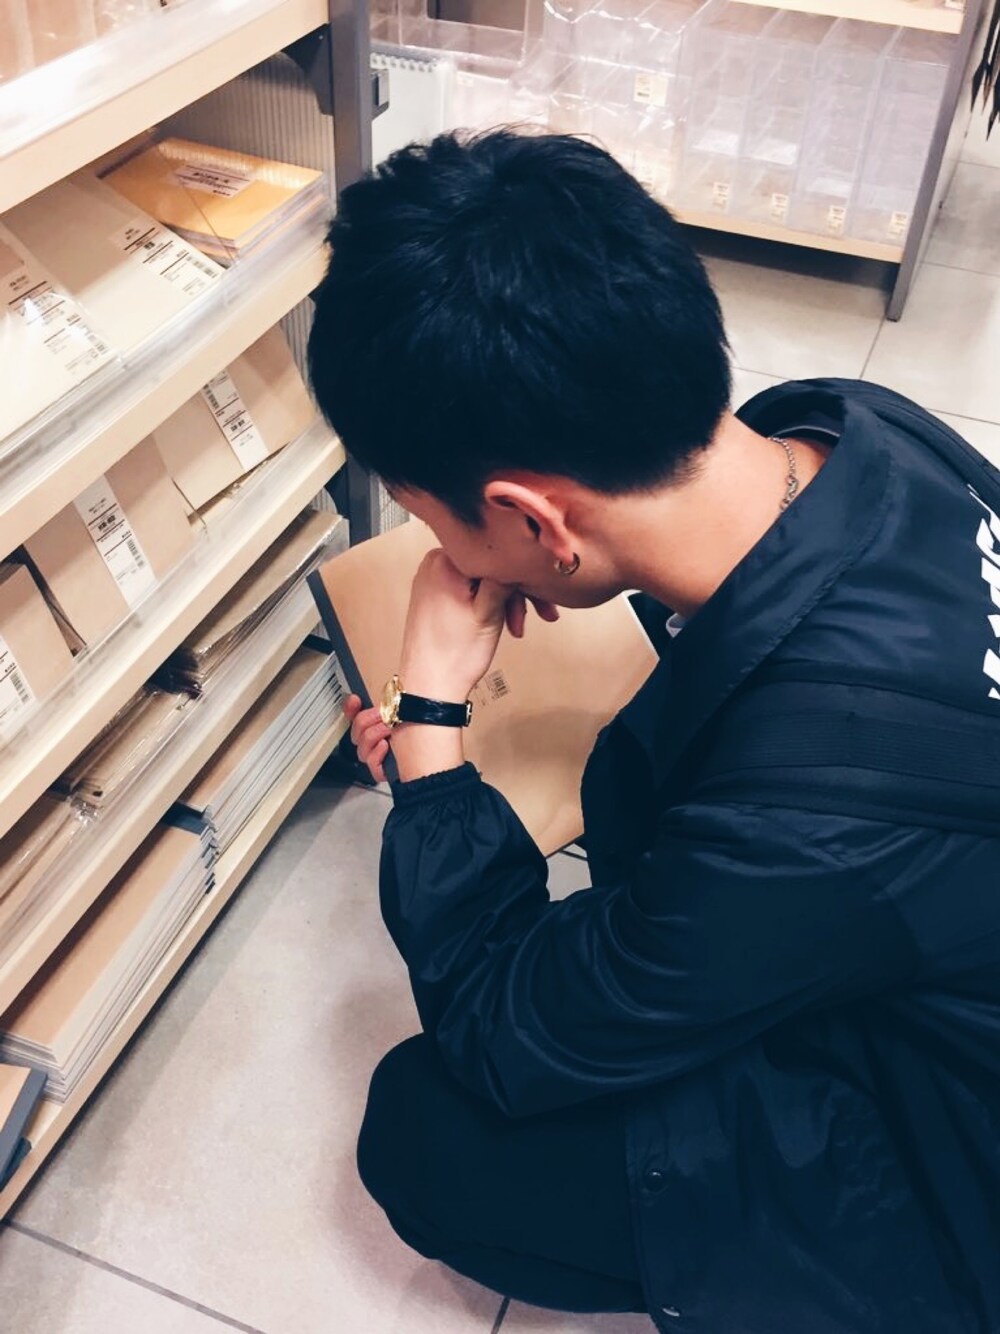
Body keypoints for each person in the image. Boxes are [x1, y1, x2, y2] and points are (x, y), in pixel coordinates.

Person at [307, 130, 1000, 1333]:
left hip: (955, 1144)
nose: (441, 559)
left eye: (436, 524)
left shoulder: (803, 812)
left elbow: (509, 1027)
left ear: (533, 519)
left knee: (429, 1125)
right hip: (917, 928)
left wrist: (430, 732)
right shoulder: (855, 428)